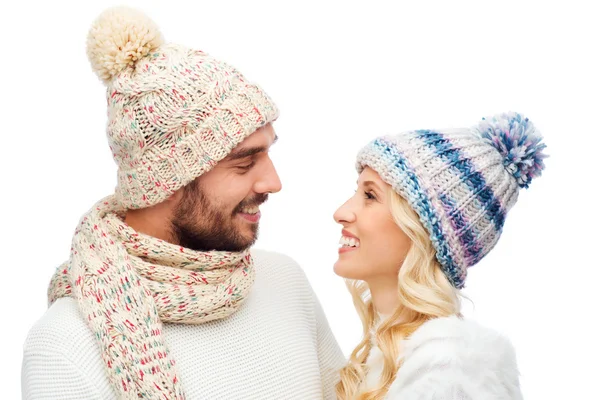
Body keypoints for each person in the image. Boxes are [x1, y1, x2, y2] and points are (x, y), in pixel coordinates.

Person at [21, 6, 344, 399]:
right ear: (166, 180)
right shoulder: (66, 345)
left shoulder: (285, 282)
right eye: (244, 163)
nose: (273, 182)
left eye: (268, 154)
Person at [333, 112, 546, 399]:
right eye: (356, 192)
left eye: (370, 196)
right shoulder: (391, 359)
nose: (341, 212)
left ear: (422, 231)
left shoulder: (452, 371)